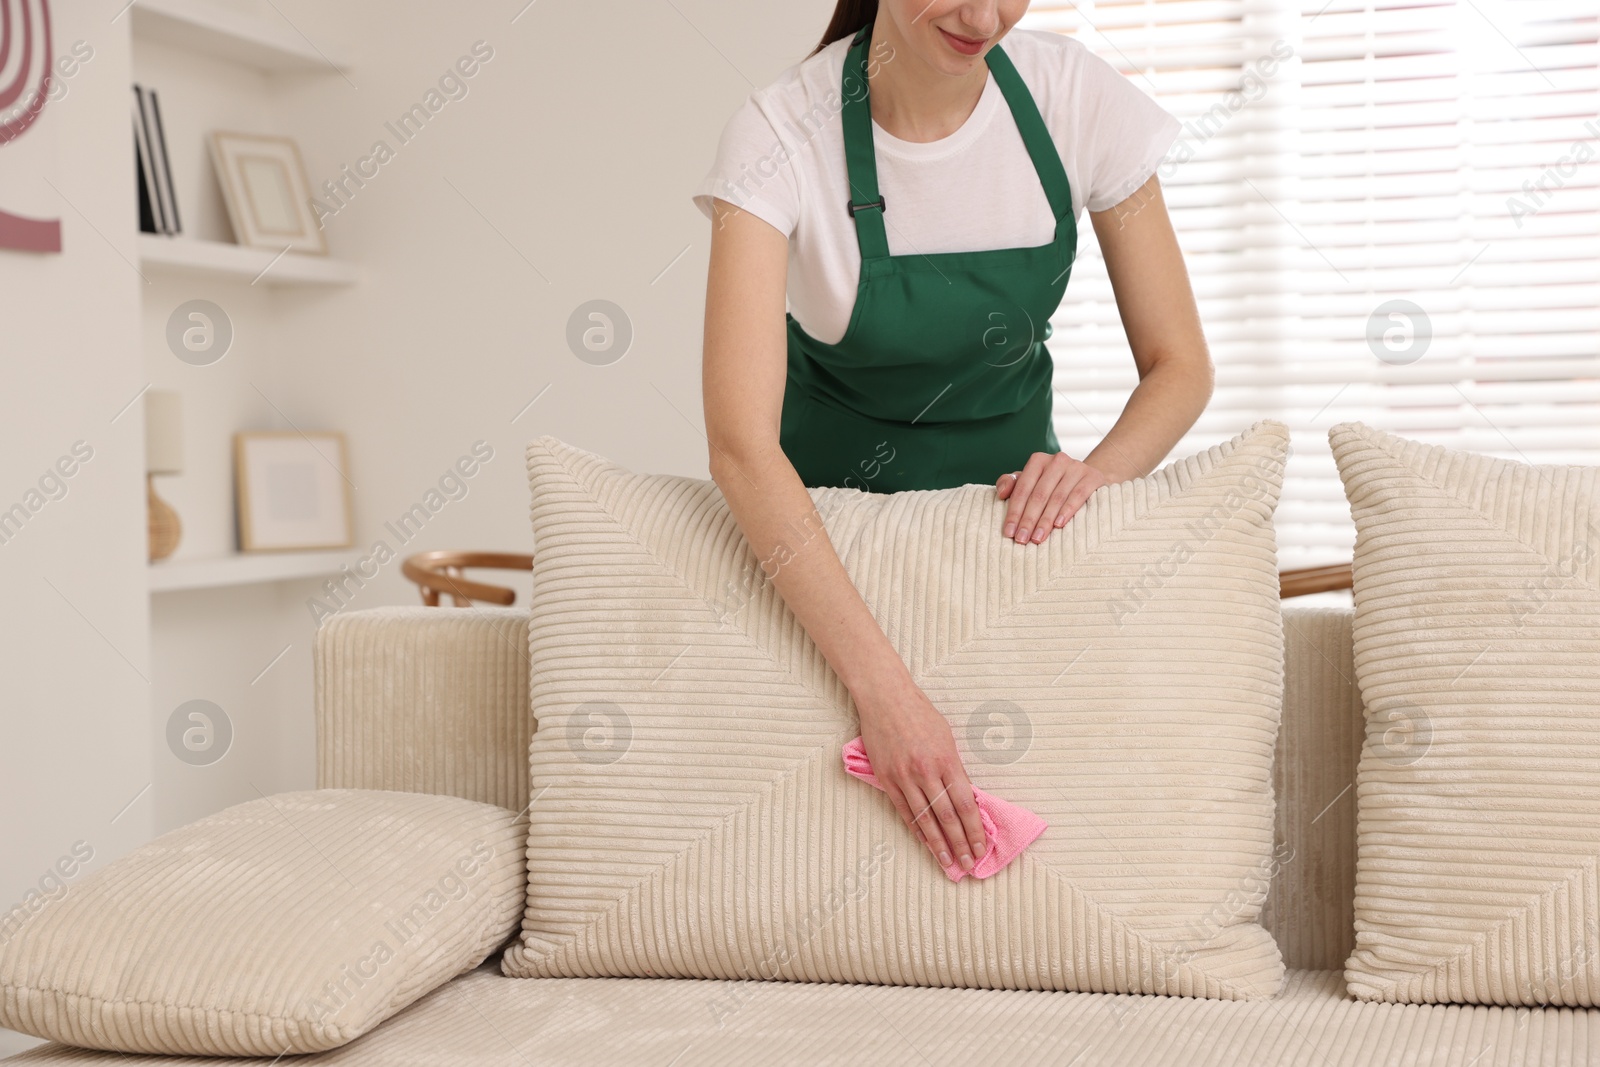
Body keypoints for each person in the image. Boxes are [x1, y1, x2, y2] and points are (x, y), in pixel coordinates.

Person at [694, 0, 1212, 877]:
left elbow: (1180, 366)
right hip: (827, 565)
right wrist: (884, 692)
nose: (984, 15)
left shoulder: (1072, 98)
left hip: (1005, 549)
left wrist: (1092, 474)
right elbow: (741, 446)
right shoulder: (780, 132)